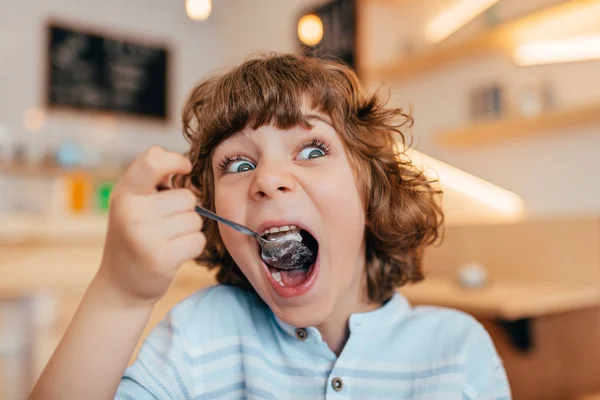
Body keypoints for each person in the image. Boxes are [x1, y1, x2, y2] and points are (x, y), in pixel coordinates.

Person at [30, 53, 511, 399]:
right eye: (237, 164)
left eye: (313, 150)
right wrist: (120, 293)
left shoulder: (456, 352)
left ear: (372, 190)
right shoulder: (202, 336)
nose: (268, 180)